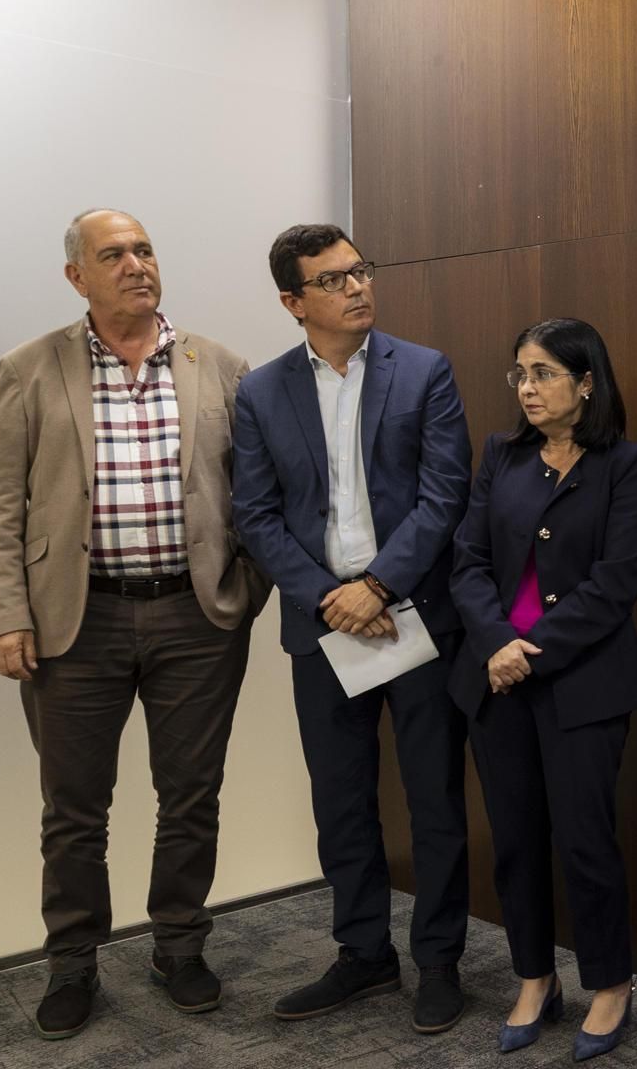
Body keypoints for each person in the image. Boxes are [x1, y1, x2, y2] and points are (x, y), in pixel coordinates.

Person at [0, 209, 268, 1039]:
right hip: (77, 623)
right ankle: (72, 965)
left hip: (196, 617)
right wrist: (4, 614)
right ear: (78, 277)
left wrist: (247, 586)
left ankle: (179, 946)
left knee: (191, 796)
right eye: (114, 254)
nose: (136, 264)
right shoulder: (30, 369)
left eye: (144, 249)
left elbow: (261, 496)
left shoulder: (224, 367)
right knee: (73, 809)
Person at [230, 225, 473, 1035]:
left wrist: (378, 586)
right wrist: (329, 597)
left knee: (433, 797)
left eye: (361, 271)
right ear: (293, 302)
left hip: (413, 617)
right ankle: (364, 954)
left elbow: (445, 494)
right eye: (333, 281)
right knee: (340, 802)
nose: (358, 288)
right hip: (323, 625)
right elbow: (256, 515)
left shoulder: (424, 371)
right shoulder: (262, 392)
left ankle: (439, 961)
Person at [448, 318, 637, 1060]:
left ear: (586, 381)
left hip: (583, 685)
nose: (527, 389)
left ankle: (608, 983)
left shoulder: (627, 466)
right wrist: (497, 644)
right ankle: (534, 977)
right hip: (496, 686)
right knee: (515, 841)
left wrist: (527, 653)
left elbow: (616, 583)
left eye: (543, 374)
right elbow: (466, 562)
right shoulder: (502, 455)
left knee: (586, 841)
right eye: (520, 375)